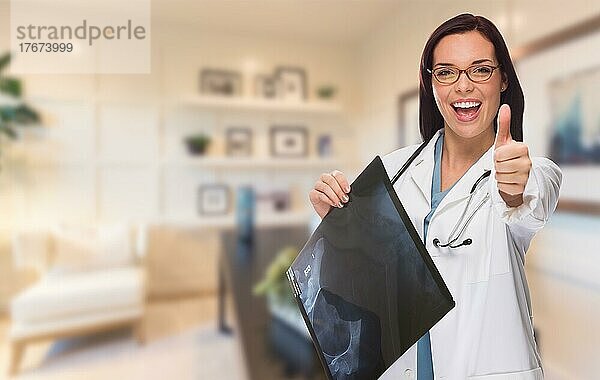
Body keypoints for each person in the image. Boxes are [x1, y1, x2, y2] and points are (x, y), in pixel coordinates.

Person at [308, 13, 561, 380]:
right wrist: (337, 226)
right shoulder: (392, 170)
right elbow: (360, 287)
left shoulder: (531, 172)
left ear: (503, 79)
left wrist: (515, 190)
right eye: (446, 71)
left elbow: (527, 201)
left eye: (480, 70)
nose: (463, 86)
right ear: (432, 84)